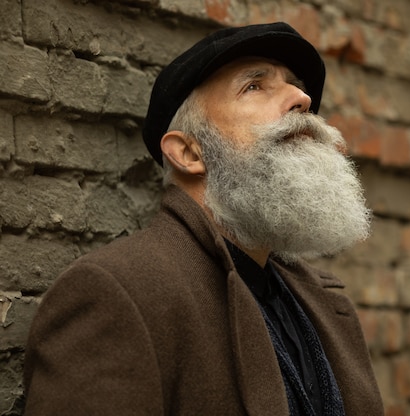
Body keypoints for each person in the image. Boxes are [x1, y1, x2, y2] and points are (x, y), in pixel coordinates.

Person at [23, 22, 383, 416]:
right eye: (254, 86)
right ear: (190, 154)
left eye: (295, 85)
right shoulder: (117, 293)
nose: (301, 97)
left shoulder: (323, 301)